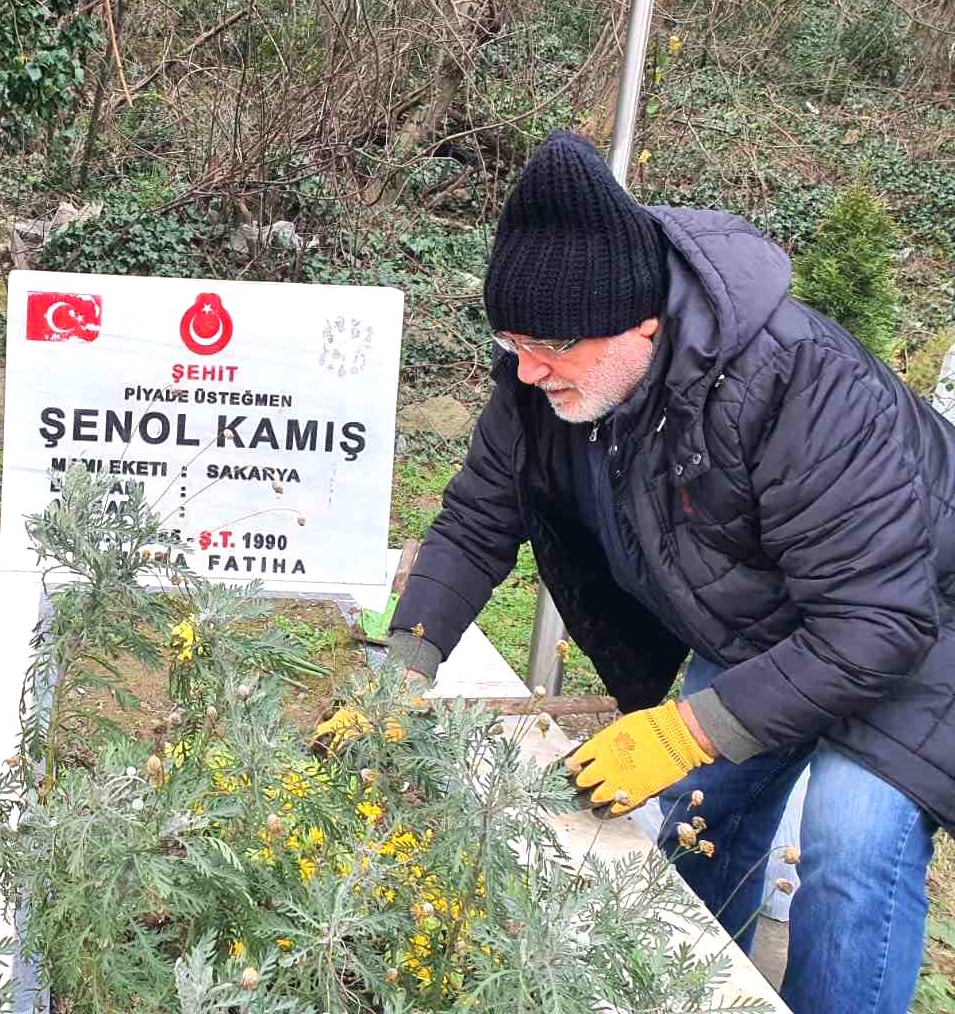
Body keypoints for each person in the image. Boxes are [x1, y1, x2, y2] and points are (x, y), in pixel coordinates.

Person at [386, 130, 955, 1014]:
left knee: (851, 842)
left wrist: (688, 727)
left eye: (549, 346)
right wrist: (400, 674)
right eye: (511, 340)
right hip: (774, 618)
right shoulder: (544, 379)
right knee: (699, 815)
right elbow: (474, 522)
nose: (526, 368)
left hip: (917, 616)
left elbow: (875, 623)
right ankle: (694, 995)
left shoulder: (798, 383)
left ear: (641, 326)